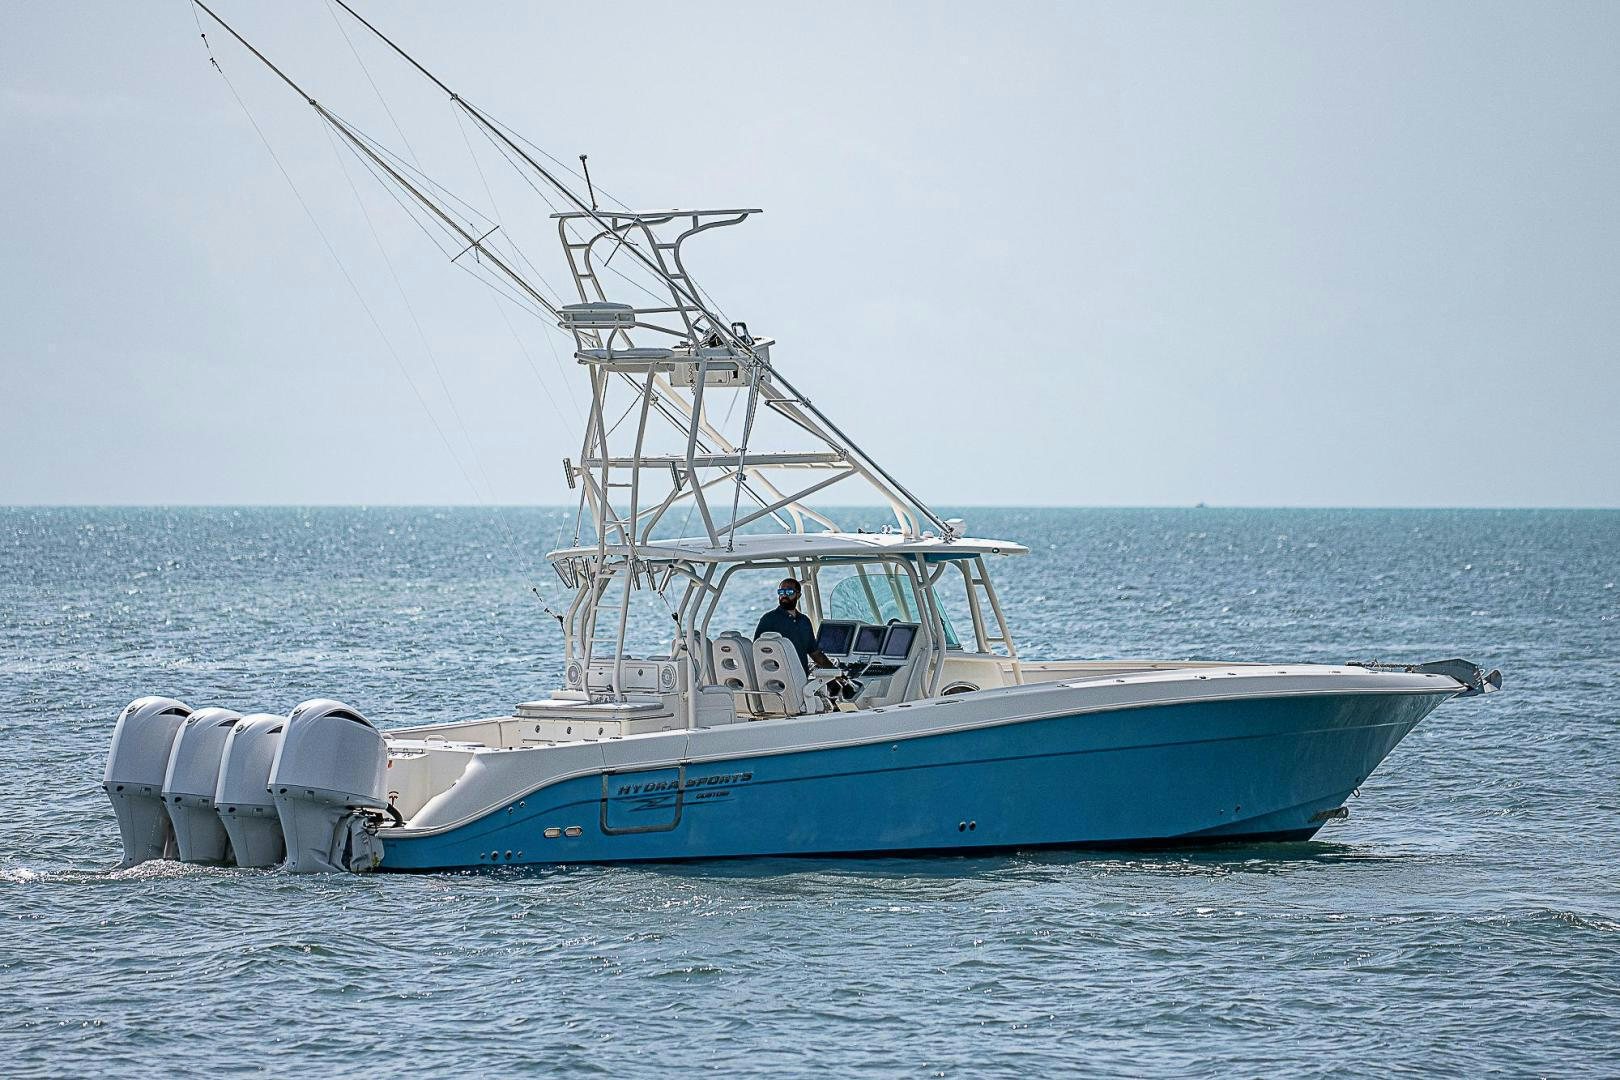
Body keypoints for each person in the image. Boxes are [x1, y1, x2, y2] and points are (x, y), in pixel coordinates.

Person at [754, 577, 833, 675]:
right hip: (777, 680)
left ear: (798, 595)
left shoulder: (804, 621)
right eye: (781, 592)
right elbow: (757, 651)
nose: (784, 595)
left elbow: (814, 653)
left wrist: (835, 671)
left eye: (789, 592)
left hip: (801, 679)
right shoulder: (769, 619)